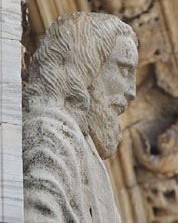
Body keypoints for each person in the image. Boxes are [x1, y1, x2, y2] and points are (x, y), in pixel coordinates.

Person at [23, 12, 138, 222]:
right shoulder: (51, 134)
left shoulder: (81, 146)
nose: (132, 91)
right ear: (86, 66)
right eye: (123, 69)